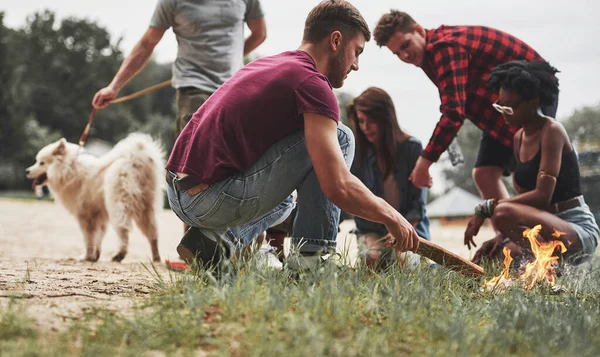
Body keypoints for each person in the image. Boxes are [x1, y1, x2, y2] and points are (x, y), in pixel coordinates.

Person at [164, 0, 419, 272]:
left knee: (284, 201)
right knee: (341, 137)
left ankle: (213, 242)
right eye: (356, 52)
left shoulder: (274, 64)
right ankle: (311, 261)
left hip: (181, 190)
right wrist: (390, 215)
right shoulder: (313, 84)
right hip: (209, 198)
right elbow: (337, 185)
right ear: (336, 40)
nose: (355, 65)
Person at [91, 0, 267, 266]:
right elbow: (148, 42)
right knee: (191, 170)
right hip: (192, 88)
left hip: (232, 88)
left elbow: (260, 32)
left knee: (237, 165)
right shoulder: (172, 2)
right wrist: (114, 87)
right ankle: (193, 253)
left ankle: (233, 248)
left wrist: (232, 59)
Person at [372, 11, 557, 203]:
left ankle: (553, 226)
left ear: (418, 30)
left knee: (528, 179)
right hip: (499, 113)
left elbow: (453, 112)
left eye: (405, 45)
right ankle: (510, 230)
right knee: (485, 174)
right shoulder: (428, 57)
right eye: (397, 53)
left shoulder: (443, 47)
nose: (405, 55)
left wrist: (424, 162)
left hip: (533, 95)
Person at [463, 60, 599, 264]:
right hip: (544, 225)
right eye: (500, 106)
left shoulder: (551, 131)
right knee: (494, 256)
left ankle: (548, 267)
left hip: (575, 226)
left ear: (534, 101)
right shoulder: (518, 138)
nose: (503, 114)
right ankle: (542, 264)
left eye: (510, 108)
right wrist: (501, 238)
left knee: (501, 212)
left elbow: (542, 197)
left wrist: (486, 207)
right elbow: (524, 204)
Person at [346, 87, 430, 268]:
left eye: (371, 121)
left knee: (405, 262)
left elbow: (418, 205)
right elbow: (352, 197)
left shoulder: (412, 148)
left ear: (386, 119)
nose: (365, 128)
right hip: (371, 230)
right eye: (361, 121)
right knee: (372, 259)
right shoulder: (359, 154)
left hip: (410, 228)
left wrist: (400, 230)